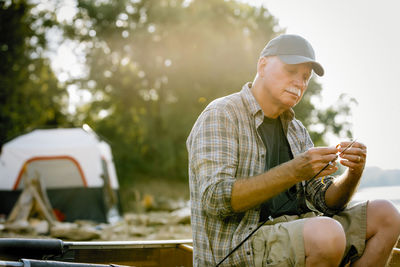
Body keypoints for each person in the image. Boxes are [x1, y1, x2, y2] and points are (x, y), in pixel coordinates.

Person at [186, 34, 400, 267]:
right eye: (291, 71)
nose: (300, 82)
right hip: (240, 248)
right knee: (327, 235)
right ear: (263, 65)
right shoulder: (222, 114)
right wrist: (295, 170)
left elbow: (327, 203)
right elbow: (215, 199)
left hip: (301, 231)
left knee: (387, 215)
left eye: (305, 77)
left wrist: (353, 173)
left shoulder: (297, 130)